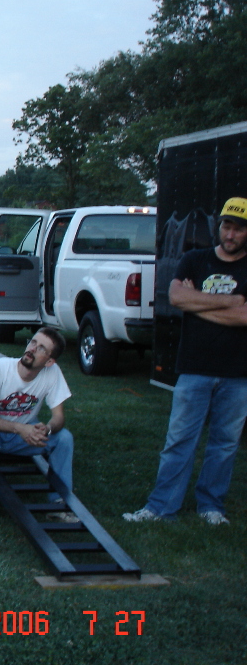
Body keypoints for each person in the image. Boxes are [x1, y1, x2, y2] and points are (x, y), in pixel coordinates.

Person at [124, 197, 247, 525]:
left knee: (225, 444)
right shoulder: (195, 259)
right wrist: (231, 301)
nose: (230, 234)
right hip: (193, 368)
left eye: (238, 229)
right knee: (179, 440)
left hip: (238, 373)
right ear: (219, 226)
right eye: (226, 226)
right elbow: (177, 296)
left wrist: (200, 304)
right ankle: (161, 506)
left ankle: (211, 506)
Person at [0, 327, 75, 531]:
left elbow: (59, 417)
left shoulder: (52, 373)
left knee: (63, 438)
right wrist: (21, 428)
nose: (33, 349)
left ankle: (59, 504)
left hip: (20, 437)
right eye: (33, 342)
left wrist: (46, 428)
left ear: (49, 361)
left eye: (41, 348)